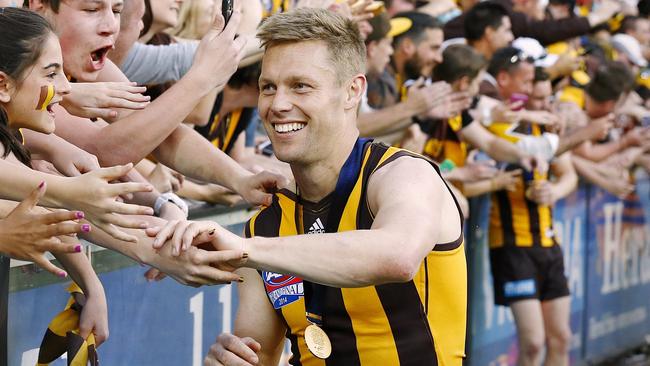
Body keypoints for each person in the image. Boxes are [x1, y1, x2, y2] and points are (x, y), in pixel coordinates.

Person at [152, 8, 468, 365]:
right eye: (268, 87)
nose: (278, 105)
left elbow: (397, 255)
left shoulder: (403, 175)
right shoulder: (266, 225)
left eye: (300, 86)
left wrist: (247, 249)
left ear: (352, 91)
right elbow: (260, 353)